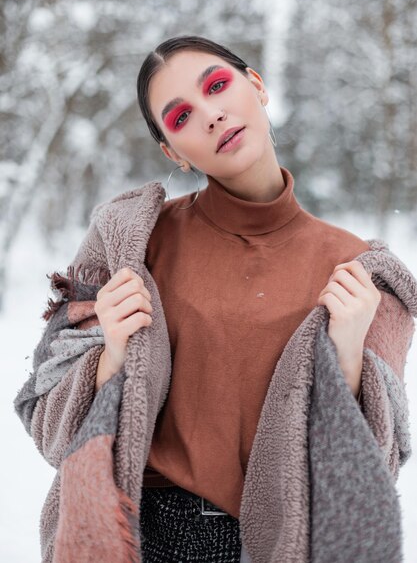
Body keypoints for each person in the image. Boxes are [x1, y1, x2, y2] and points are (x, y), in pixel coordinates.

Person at [14, 35, 416, 563]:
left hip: (280, 546)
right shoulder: (130, 242)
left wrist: (346, 357)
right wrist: (110, 355)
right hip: (143, 537)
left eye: (218, 86)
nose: (211, 115)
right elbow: (47, 423)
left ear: (257, 85)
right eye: (181, 117)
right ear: (172, 152)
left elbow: (375, 468)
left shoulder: (359, 269)